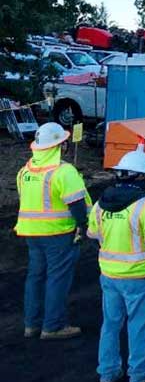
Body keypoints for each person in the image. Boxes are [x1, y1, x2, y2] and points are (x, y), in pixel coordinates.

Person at [88, 148, 145, 382]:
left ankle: (107, 372)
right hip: (139, 277)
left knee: (110, 325)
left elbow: (93, 238)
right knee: (141, 326)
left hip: (109, 275)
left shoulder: (101, 203)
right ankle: (140, 374)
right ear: (141, 176)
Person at [16, 122, 90, 340]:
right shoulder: (64, 171)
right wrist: (83, 225)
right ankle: (53, 326)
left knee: (35, 277)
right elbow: (76, 203)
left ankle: (32, 325)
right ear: (60, 145)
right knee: (57, 278)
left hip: (31, 233)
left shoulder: (25, 171)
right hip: (58, 234)